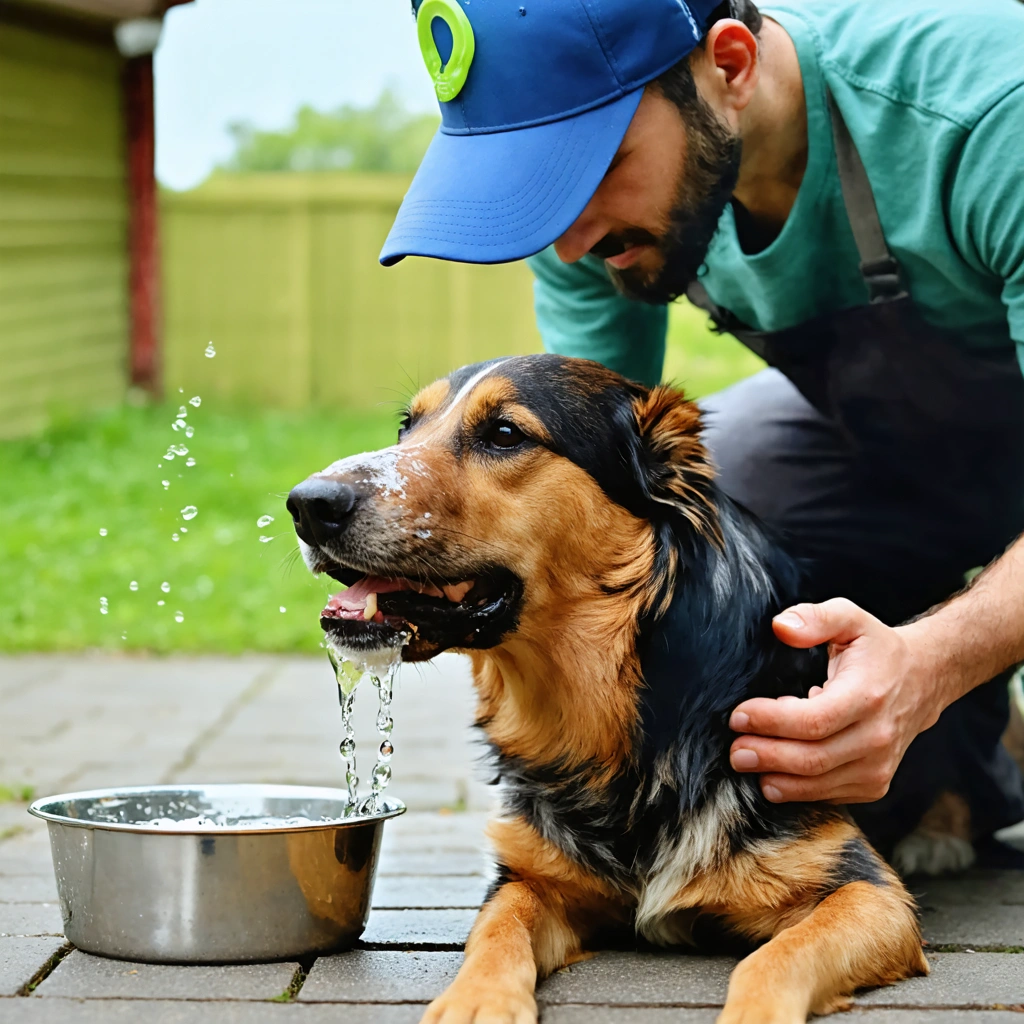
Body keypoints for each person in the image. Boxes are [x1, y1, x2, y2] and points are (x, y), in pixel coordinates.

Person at [379, 0, 1024, 867]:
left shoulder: (990, 118)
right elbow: (594, 496)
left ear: (729, 64)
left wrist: (930, 664)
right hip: (906, 441)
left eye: (596, 162)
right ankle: (969, 753)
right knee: (713, 501)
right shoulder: (586, 222)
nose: (569, 243)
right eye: (541, 177)